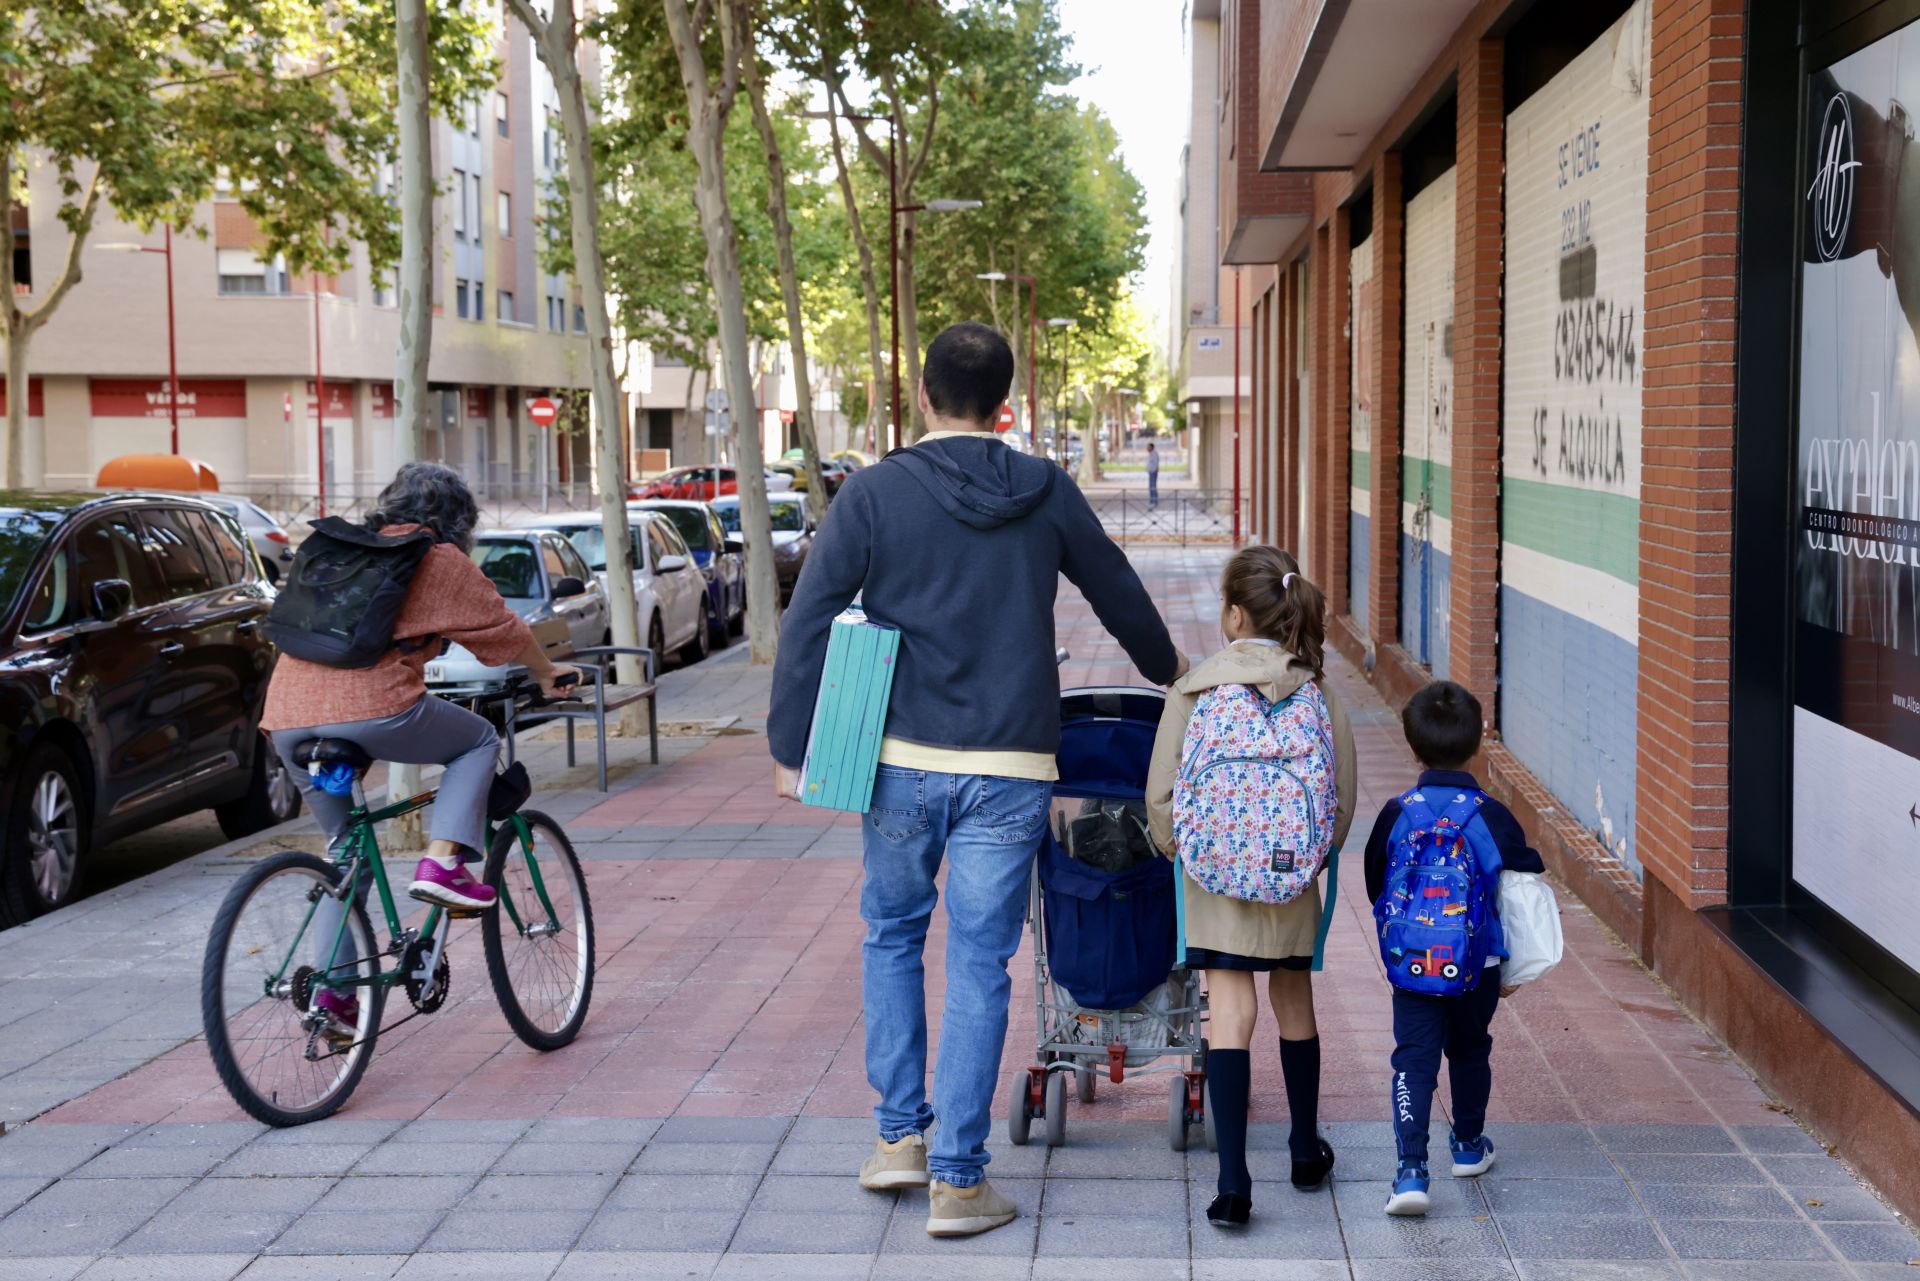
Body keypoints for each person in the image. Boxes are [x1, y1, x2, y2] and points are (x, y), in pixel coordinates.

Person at [769, 322, 1185, 1237]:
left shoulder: (873, 493)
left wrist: (790, 743)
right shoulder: (1044, 490)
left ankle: (897, 1141)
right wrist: (1172, 673)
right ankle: (960, 1179)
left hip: (899, 760)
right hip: (1011, 762)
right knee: (981, 959)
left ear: (921, 394)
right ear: (1006, 403)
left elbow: (809, 617)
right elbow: (1115, 585)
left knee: (890, 936)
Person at [261, 462, 578, 1035]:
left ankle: (332, 1001)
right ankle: (445, 862)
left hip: (286, 717)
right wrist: (547, 672)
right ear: (461, 519)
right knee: (477, 739)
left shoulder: (339, 550)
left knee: (344, 858)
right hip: (375, 707)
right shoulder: (436, 558)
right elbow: (504, 635)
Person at [1146, 545, 1354, 1228]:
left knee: (1231, 1014)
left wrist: (1186, 851)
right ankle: (1302, 1148)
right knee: (1295, 1002)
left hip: (1214, 885)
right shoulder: (1317, 691)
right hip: (1291, 877)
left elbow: (1161, 796)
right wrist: (1309, 859)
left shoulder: (1195, 689)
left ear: (1234, 615)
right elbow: (1342, 798)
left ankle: (1233, 1180)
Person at [1361, 679, 1544, 1216]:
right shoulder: (1490, 815)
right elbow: (1525, 869)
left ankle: (1411, 1173)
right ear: (1478, 742)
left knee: (1413, 1060)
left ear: (1412, 746)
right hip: (1477, 962)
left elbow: (1377, 881)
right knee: (1469, 1048)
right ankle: (1467, 1146)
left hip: (1412, 964)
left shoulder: (1398, 813)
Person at [1146, 440, 1161, 508]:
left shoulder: (1154, 454)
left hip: (1153, 472)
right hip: (1151, 472)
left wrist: (1153, 470)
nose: (1147, 448)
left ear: (1151, 447)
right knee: (1151, 487)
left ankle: (1154, 501)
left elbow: (1155, 464)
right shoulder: (1151, 454)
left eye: (1148, 447)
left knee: (1153, 487)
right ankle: (1152, 500)